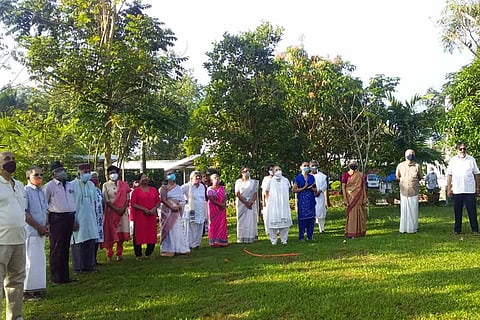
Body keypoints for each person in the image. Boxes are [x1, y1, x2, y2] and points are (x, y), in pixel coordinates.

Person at [0, 151, 27, 320]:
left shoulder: (19, 184)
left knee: (16, 281)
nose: (12, 162)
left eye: (13, 159)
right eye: (7, 159)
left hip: (19, 239)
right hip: (1, 240)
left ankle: (15, 317)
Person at [43, 160, 76, 285]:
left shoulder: (69, 185)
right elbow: (44, 205)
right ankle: (56, 277)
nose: (62, 172)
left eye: (63, 170)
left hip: (69, 216)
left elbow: (73, 201)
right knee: (56, 247)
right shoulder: (49, 186)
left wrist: (74, 218)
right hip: (57, 217)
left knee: (65, 247)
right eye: (58, 171)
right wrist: (46, 223)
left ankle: (65, 275)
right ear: (53, 173)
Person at [24, 166, 49, 301]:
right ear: (28, 177)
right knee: (30, 261)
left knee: (39, 261)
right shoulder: (25, 191)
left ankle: (37, 288)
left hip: (41, 230)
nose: (39, 177)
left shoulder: (41, 191)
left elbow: (45, 210)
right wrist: (38, 227)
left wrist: (46, 225)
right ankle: (27, 291)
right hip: (31, 231)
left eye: (41, 175)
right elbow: (25, 213)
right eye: (36, 175)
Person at [446, 142, 480, 235]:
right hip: (457, 190)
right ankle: (457, 229)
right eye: (460, 149)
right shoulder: (453, 160)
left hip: (469, 189)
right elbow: (449, 175)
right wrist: (449, 188)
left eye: (464, 149)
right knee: (457, 211)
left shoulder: (471, 159)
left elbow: (476, 174)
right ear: (457, 150)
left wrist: (477, 188)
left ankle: (475, 229)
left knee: (472, 210)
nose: (462, 151)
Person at [70, 163, 99, 274]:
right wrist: (72, 219)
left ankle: (89, 266)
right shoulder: (71, 185)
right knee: (78, 241)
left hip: (90, 217)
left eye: (88, 172)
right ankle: (78, 267)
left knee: (90, 241)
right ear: (78, 172)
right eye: (84, 172)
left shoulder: (91, 185)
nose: (87, 174)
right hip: (78, 217)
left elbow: (94, 201)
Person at [102, 165, 130, 262]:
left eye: (114, 172)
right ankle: (109, 254)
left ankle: (119, 253)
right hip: (111, 212)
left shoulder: (124, 184)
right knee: (111, 233)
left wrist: (122, 209)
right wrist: (116, 209)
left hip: (123, 212)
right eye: (110, 173)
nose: (113, 175)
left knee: (121, 235)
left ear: (118, 173)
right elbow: (106, 200)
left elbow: (127, 198)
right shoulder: (105, 185)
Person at [130, 173, 160, 260]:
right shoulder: (136, 191)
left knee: (151, 234)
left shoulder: (153, 189)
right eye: (143, 177)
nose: (145, 179)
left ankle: (149, 253)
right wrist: (144, 209)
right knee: (139, 234)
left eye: (146, 177)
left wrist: (154, 209)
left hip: (151, 215)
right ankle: (138, 254)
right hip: (140, 216)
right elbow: (133, 203)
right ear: (139, 180)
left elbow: (158, 201)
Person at [159, 171, 189, 257]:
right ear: (166, 177)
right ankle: (168, 249)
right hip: (167, 211)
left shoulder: (178, 187)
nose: (171, 176)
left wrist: (179, 205)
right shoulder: (164, 187)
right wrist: (171, 206)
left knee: (177, 229)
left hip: (176, 212)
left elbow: (182, 199)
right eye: (169, 175)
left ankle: (179, 248)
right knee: (168, 229)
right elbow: (163, 199)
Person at [264, 166, 292, 245]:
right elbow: (266, 191)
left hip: (284, 205)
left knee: (284, 224)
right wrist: (270, 200)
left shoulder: (285, 180)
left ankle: (284, 239)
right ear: (273, 171)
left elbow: (288, 189)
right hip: (273, 205)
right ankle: (273, 240)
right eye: (276, 170)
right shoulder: (270, 181)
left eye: (280, 169)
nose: (278, 171)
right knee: (273, 223)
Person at [396, 149, 423, 233]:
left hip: (413, 191)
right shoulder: (400, 165)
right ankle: (403, 229)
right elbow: (397, 176)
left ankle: (413, 229)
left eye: (412, 154)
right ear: (405, 155)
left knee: (413, 211)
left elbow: (420, 176)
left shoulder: (417, 166)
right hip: (404, 191)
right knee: (404, 210)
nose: (411, 155)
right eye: (409, 154)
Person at [181, 171, 207, 249]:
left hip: (200, 210)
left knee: (199, 226)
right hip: (191, 210)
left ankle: (196, 244)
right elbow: (178, 193)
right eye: (196, 176)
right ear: (191, 178)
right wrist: (183, 201)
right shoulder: (187, 186)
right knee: (191, 228)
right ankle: (189, 244)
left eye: (199, 176)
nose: (198, 178)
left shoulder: (202, 186)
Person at [341, 160, 367, 238]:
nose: (353, 165)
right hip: (350, 197)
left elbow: (363, 187)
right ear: (349, 165)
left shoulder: (361, 175)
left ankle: (360, 232)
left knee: (360, 213)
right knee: (351, 214)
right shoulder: (345, 175)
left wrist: (365, 197)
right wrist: (345, 199)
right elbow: (343, 187)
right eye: (352, 164)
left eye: (355, 164)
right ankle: (350, 232)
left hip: (359, 197)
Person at [293, 162, 317, 241]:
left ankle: (310, 235)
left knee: (311, 218)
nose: (306, 167)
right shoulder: (298, 178)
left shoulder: (311, 177)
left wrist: (311, 188)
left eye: (307, 166)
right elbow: (294, 190)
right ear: (301, 167)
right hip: (302, 201)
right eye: (304, 166)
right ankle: (301, 236)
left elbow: (315, 189)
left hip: (310, 200)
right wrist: (304, 188)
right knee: (302, 219)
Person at [235, 167, 259, 243]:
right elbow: (237, 193)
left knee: (251, 220)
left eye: (248, 171)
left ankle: (251, 236)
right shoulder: (238, 182)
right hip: (242, 204)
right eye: (245, 171)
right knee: (242, 221)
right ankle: (242, 237)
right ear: (242, 173)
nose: (246, 172)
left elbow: (255, 193)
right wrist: (245, 202)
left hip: (251, 204)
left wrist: (251, 202)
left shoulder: (254, 182)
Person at [207, 173, 228, 247]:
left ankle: (222, 241)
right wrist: (220, 205)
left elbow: (224, 197)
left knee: (222, 224)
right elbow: (211, 199)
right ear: (211, 180)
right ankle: (213, 241)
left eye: (218, 177)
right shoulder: (210, 189)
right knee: (213, 224)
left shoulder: (222, 188)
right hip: (214, 209)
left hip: (222, 209)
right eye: (215, 178)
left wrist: (224, 204)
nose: (217, 179)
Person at [310, 160, 328, 233]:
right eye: (312, 165)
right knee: (311, 213)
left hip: (320, 196)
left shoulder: (322, 176)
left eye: (315, 165)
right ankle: (310, 229)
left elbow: (324, 185)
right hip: (310, 196)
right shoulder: (308, 176)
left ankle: (322, 229)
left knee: (321, 212)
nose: (314, 167)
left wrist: (319, 191)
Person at [90, 172, 104, 265]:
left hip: (99, 218)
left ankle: (94, 259)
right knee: (91, 239)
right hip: (91, 217)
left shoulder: (98, 190)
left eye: (96, 178)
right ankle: (90, 260)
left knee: (97, 239)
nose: (95, 179)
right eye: (93, 177)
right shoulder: (88, 189)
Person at [260, 165, 274, 235]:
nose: (272, 171)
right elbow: (263, 191)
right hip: (267, 199)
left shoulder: (277, 178)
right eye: (270, 169)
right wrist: (263, 201)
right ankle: (268, 230)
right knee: (267, 214)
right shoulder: (266, 179)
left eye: (273, 169)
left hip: (275, 199)